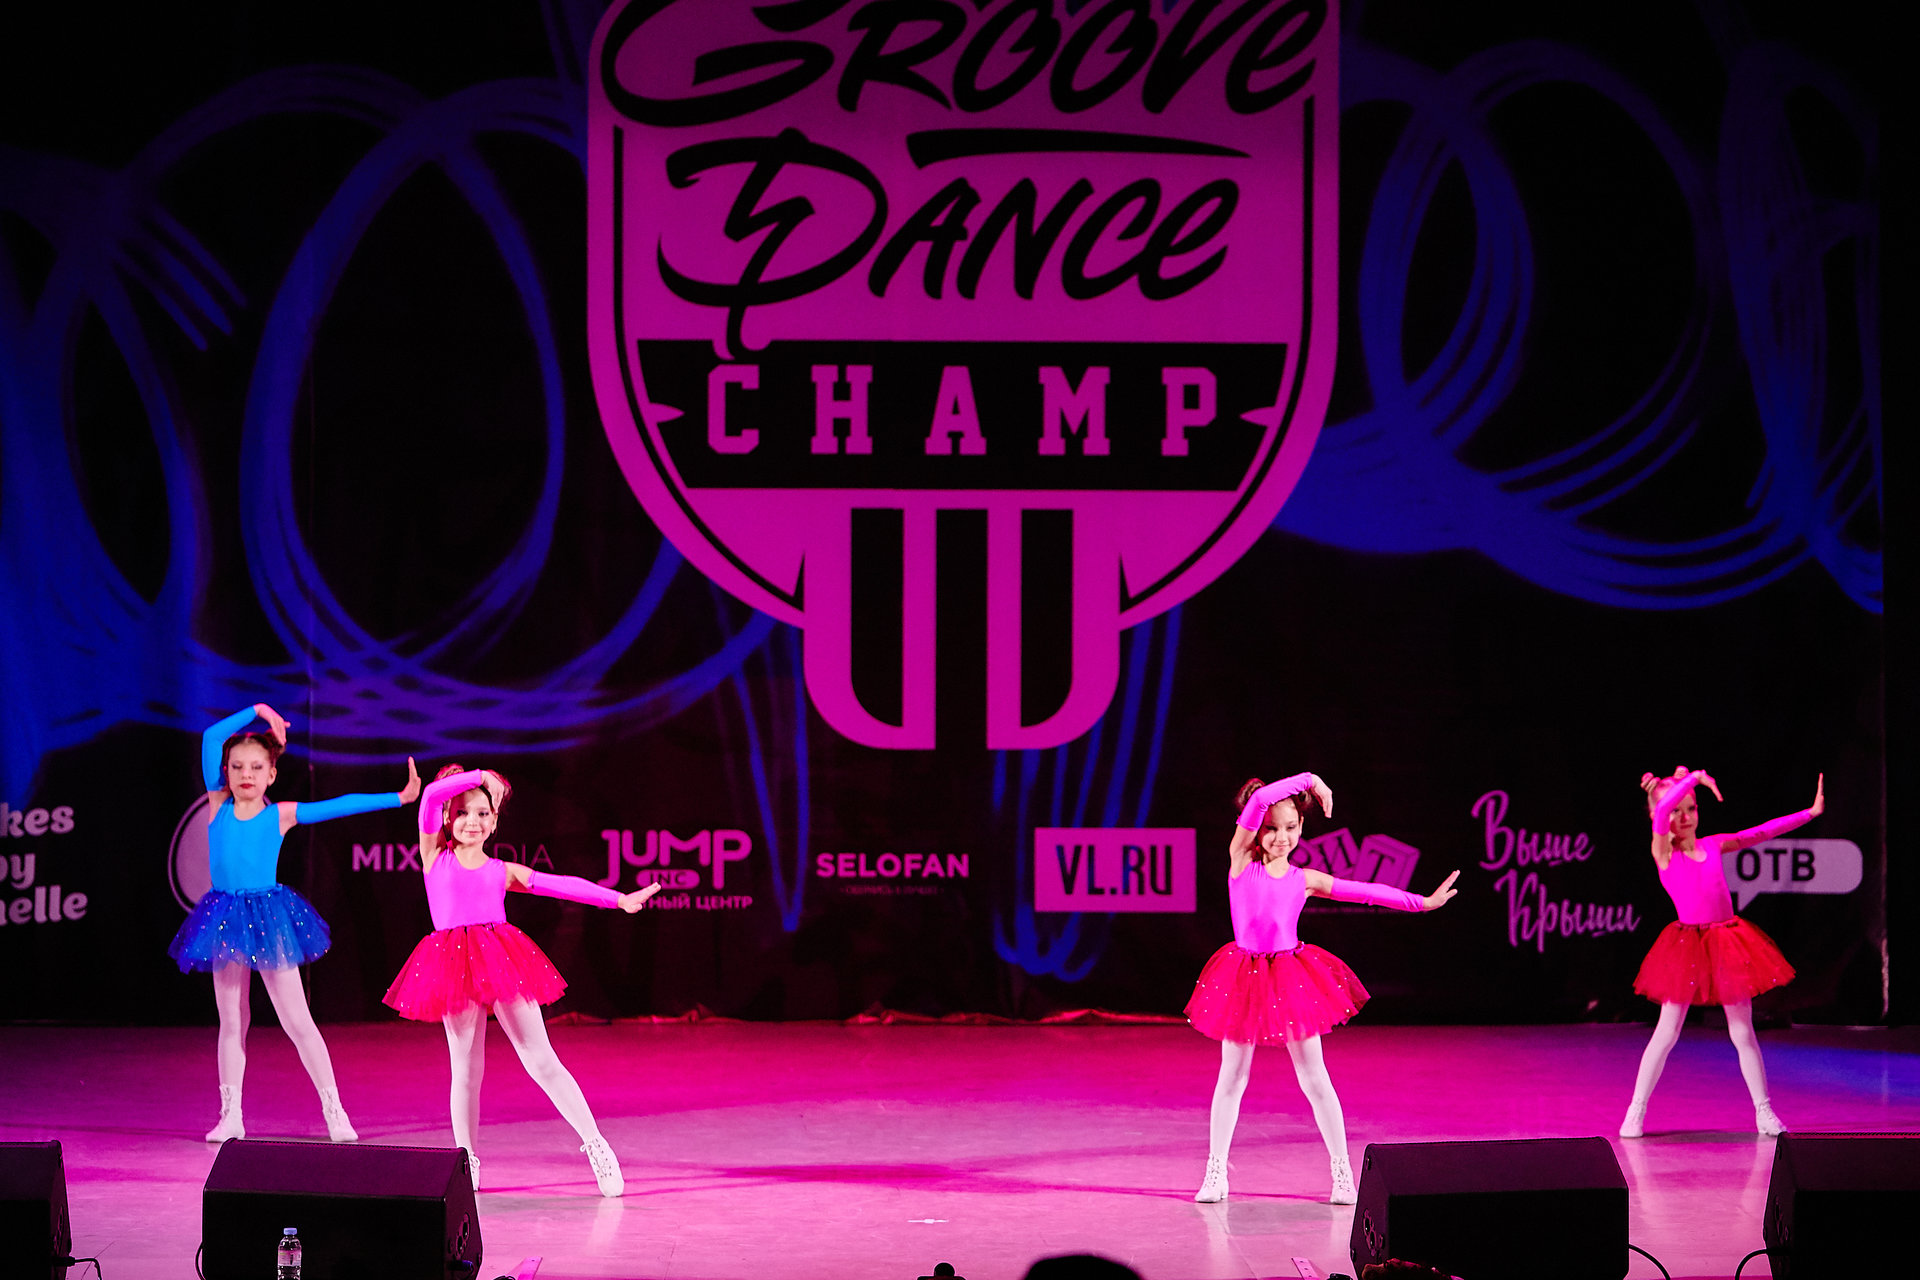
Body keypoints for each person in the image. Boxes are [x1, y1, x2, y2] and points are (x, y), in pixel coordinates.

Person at [384, 765, 658, 1196]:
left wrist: (618, 899)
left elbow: (561, 885)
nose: (472, 822)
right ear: (448, 820)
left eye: (482, 813)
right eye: (462, 813)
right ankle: (467, 1160)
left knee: (541, 1059)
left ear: (494, 821)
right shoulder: (434, 856)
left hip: (500, 958)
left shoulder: (502, 871)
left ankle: (596, 1145)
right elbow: (432, 795)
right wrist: (481, 777)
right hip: (452, 965)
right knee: (466, 1069)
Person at [1186, 771, 1458, 1205]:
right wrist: (1311, 780)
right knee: (1232, 1078)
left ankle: (1341, 1172)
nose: (1281, 837)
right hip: (1242, 978)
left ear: (1301, 827)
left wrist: (1421, 902)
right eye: (1271, 828)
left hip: (1290, 978)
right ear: (1256, 827)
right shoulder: (1239, 861)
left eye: (1291, 827)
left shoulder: (1304, 879)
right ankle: (1216, 1171)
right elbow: (1261, 800)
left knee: (1315, 1078)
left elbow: (1365, 892)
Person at [169, 703, 420, 1142]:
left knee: (297, 1021)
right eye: (237, 767)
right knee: (232, 1021)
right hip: (225, 918)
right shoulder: (217, 805)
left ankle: (335, 1111)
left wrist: (398, 798)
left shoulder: (278, 814)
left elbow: (338, 806)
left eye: (256, 767)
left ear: (271, 774)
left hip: (268, 919)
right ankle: (231, 1115)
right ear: (225, 772)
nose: (246, 774)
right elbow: (211, 737)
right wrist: (258, 711)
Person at [1619, 766, 1822, 1139]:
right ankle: (1636, 1110)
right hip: (1686, 947)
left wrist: (1809, 813)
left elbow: (1760, 833)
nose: (1684, 817)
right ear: (1658, 815)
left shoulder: (1713, 845)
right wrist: (1693, 778)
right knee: (1667, 1032)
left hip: (1727, 941)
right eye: (1676, 810)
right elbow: (1662, 810)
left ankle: (1764, 1111)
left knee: (1743, 1031)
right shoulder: (1663, 852)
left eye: (1691, 808)